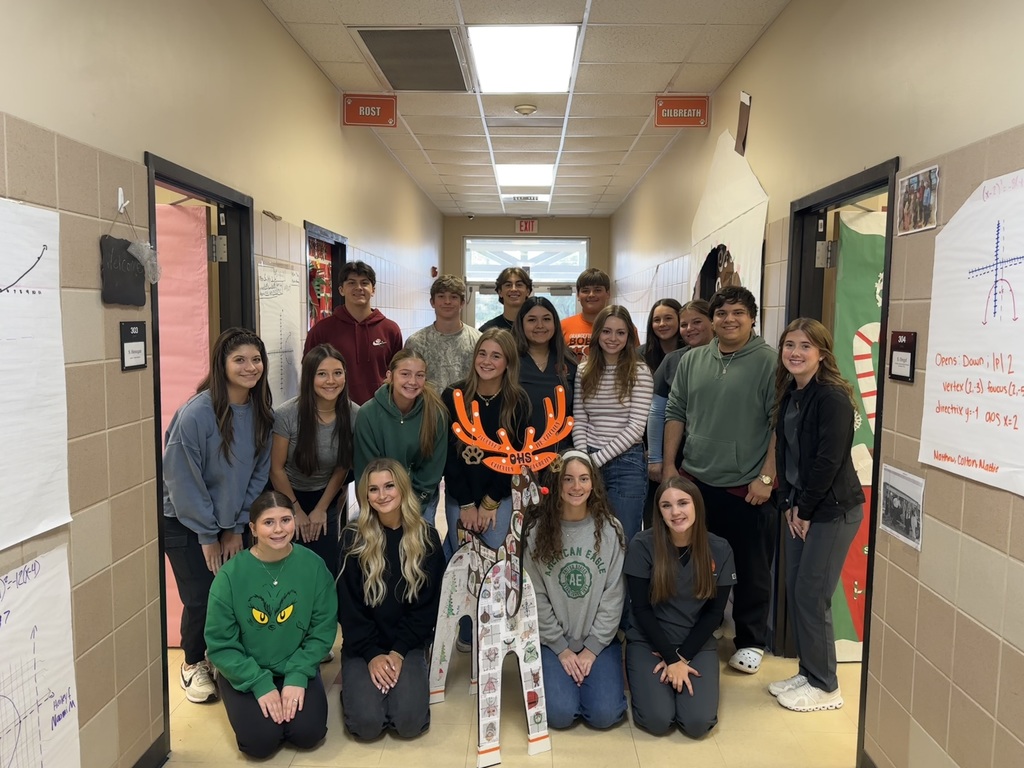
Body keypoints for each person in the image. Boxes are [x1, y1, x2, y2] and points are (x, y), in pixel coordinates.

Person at [663, 285, 777, 675]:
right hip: (696, 479)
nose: (729, 320)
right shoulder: (693, 360)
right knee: (698, 561)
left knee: (750, 565)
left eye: (739, 313)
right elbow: (675, 412)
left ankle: (750, 640)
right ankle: (704, 626)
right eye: (723, 313)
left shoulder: (769, 363)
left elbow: (779, 424)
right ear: (713, 319)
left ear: (752, 318)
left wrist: (767, 476)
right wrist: (668, 468)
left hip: (746, 487)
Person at [163, 327, 274, 704]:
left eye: (256, 359)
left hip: (228, 521)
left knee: (227, 593)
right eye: (239, 360)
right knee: (200, 596)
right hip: (184, 520)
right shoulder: (196, 414)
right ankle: (192, 663)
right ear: (221, 364)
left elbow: (258, 475)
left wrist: (237, 526)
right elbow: (182, 480)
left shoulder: (261, 413)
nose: (250, 367)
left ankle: (216, 655)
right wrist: (209, 535)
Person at [769, 318, 865, 712]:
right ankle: (809, 671)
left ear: (822, 353)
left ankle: (827, 686)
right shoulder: (792, 392)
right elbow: (788, 454)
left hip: (832, 511)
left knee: (813, 594)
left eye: (805, 346)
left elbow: (828, 461)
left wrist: (804, 509)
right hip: (801, 508)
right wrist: (791, 504)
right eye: (789, 344)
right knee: (798, 591)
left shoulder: (832, 398)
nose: (795, 352)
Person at [205, 490, 337, 758]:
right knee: (260, 743)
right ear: (253, 528)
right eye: (268, 522)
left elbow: (322, 629)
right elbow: (221, 644)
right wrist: (259, 683)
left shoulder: (313, 566)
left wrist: (299, 674)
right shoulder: (230, 576)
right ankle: (234, 688)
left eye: (286, 520)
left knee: (308, 734)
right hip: (246, 669)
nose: (279, 530)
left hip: (295, 663)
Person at [337, 459, 445, 740]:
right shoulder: (352, 538)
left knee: (409, 724)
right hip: (363, 646)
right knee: (367, 726)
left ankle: (396, 686)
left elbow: (427, 609)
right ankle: (354, 687)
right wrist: (372, 655)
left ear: (403, 489)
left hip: (407, 645)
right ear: (365, 495)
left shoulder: (427, 538)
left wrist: (398, 652)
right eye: (373, 489)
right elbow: (348, 608)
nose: (382, 495)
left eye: (389, 486)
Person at [522, 450, 627, 729]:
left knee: (605, 716)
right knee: (559, 715)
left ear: (594, 483)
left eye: (583, 479)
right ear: (556, 484)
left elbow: (613, 595)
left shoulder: (611, 530)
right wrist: (562, 649)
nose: (576, 487)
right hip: (553, 640)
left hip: (598, 641)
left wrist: (591, 650)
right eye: (568, 479)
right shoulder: (537, 531)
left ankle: (593, 679)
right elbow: (536, 596)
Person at [625, 477, 735, 737]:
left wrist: (682, 657)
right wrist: (670, 657)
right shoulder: (642, 545)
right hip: (650, 642)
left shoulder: (719, 549)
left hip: (695, 643)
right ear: (658, 512)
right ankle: (643, 681)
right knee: (658, 721)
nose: (675, 512)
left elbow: (715, 614)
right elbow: (640, 609)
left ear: (696, 504)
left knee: (697, 724)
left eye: (683, 503)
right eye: (666, 506)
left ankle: (672, 685)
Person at [270, 344, 359, 579]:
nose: (331, 381)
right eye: (322, 374)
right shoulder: (287, 414)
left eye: (337, 373)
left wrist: (321, 508)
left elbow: (342, 466)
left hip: (324, 497)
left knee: (323, 571)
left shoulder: (353, 414)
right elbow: (276, 468)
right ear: (310, 377)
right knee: (286, 571)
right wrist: (295, 509)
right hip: (285, 496)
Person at [442, 329, 531, 555]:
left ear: (508, 363)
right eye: (482, 354)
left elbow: (515, 458)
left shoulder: (517, 401)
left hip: (499, 494)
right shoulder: (454, 395)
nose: (487, 361)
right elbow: (448, 456)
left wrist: (490, 502)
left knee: (495, 562)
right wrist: (466, 504)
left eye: (496, 356)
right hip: (461, 495)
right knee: (460, 564)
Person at [573, 305, 653, 546]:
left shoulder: (639, 372)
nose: (613, 338)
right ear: (597, 333)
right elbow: (580, 417)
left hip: (626, 465)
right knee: (588, 537)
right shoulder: (584, 370)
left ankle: (623, 586)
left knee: (622, 540)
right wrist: (582, 457)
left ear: (629, 336)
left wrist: (595, 461)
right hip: (589, 459)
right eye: (607, 331)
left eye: (620, 333)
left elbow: (635, 428)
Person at [353, 350, 448, 525]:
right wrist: (384, 510)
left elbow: (432, 470)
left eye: (419, 375)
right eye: (405, 374)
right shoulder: (368, 414)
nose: (412, 382)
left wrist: (411, 510)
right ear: (390, 376)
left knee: (419, 549)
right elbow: (366, 470)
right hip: (381, 501)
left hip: (420, 502)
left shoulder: (436, 413)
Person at [645, 300, 714, 525]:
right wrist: (658, 459)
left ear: (712, 322)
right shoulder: (674, 360)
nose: (689, 329)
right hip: (678, 455)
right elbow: (657, 411)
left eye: (697, 322)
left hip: (715, 459)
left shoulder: (731, 358)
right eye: (684, 325)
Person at [303, 260, 402, 405]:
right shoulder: (322, 330)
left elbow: (398, 374)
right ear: (341, 290)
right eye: (351, 283)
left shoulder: (390, 330)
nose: (359, 288)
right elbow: (309, 372)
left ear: (373, 289)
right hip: (336, 412)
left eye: (364, 283)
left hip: (380, 410)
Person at [513, 296, 578, 445]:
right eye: (532, 320)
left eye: (547, 319)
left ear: (555, 323)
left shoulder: (569, 360)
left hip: (562, 455)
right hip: (520, 454)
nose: (540, 325)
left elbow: (578, 412)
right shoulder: (510, 361)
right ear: (521, 324)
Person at [404, 274, 481, 391]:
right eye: (441, 296)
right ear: (432, 302)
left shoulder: (477, 340)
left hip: (467, 407)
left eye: (454, 297)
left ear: (462, 303)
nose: (447, 302)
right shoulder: (416, 342)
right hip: (428, 408)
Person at [561, 267, 612, 361]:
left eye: (597, 290)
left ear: (608, 293)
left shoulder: (623, 327)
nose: (591, 294)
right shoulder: (562, 326)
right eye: (585, 290)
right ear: (578, 295)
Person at [479, 266, 533, 332]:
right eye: (508, 285)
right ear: (500, 292)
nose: (513, 289)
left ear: (528, 291)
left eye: (519, 285)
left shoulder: (537, 327)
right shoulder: (488, 329)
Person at [639, 298, 684, 374]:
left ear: (680, 320)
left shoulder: (690, 354)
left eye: (668, 318)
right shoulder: (640, 355)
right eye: (657, 320)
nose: (662, 324)